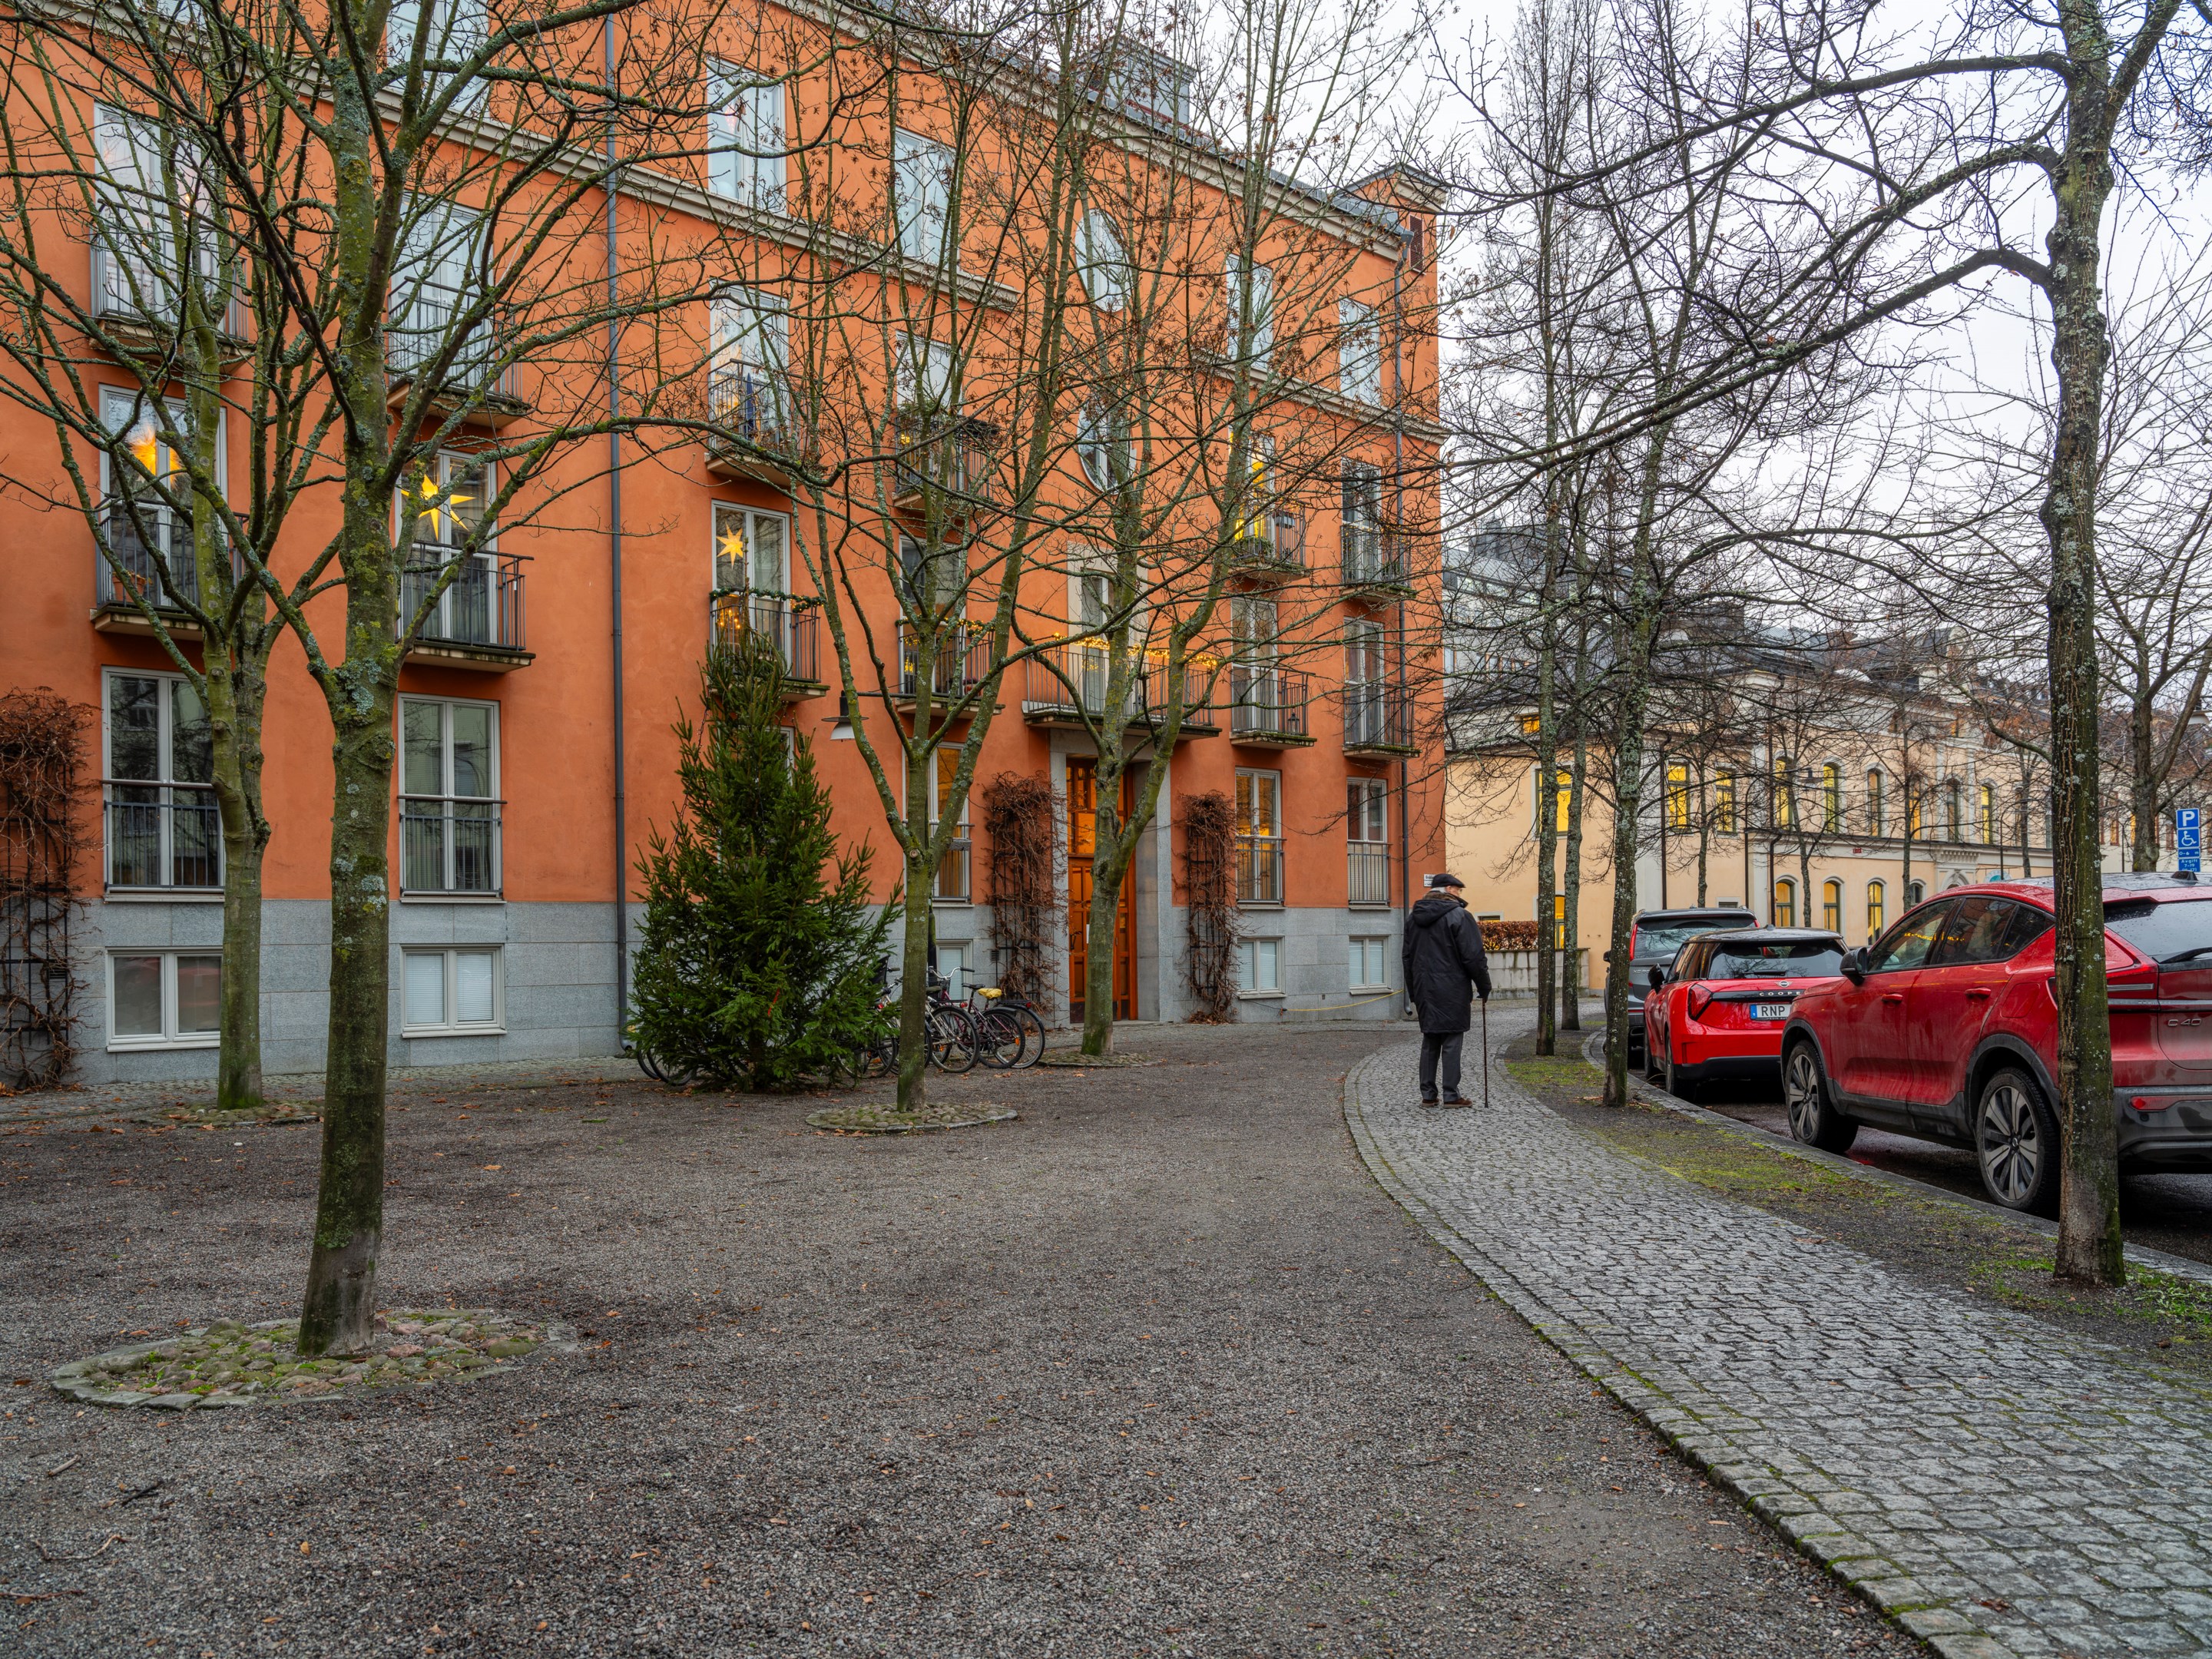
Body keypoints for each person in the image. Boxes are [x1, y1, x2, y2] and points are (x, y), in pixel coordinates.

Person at [1402, 871, 1492, 1107]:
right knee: (1452, 1040)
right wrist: (1484, 986)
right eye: (1459, 890)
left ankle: (1428, 1095)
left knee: (1430, 1039)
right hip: (1452, 988)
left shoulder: (1413, 918)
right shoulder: (1460, 916)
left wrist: (1414, 993)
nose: (1460, 894)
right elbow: (1474, 957)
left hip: (1425, 989)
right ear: (1450, 890)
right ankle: (1451, 1095)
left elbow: (1407, 958)